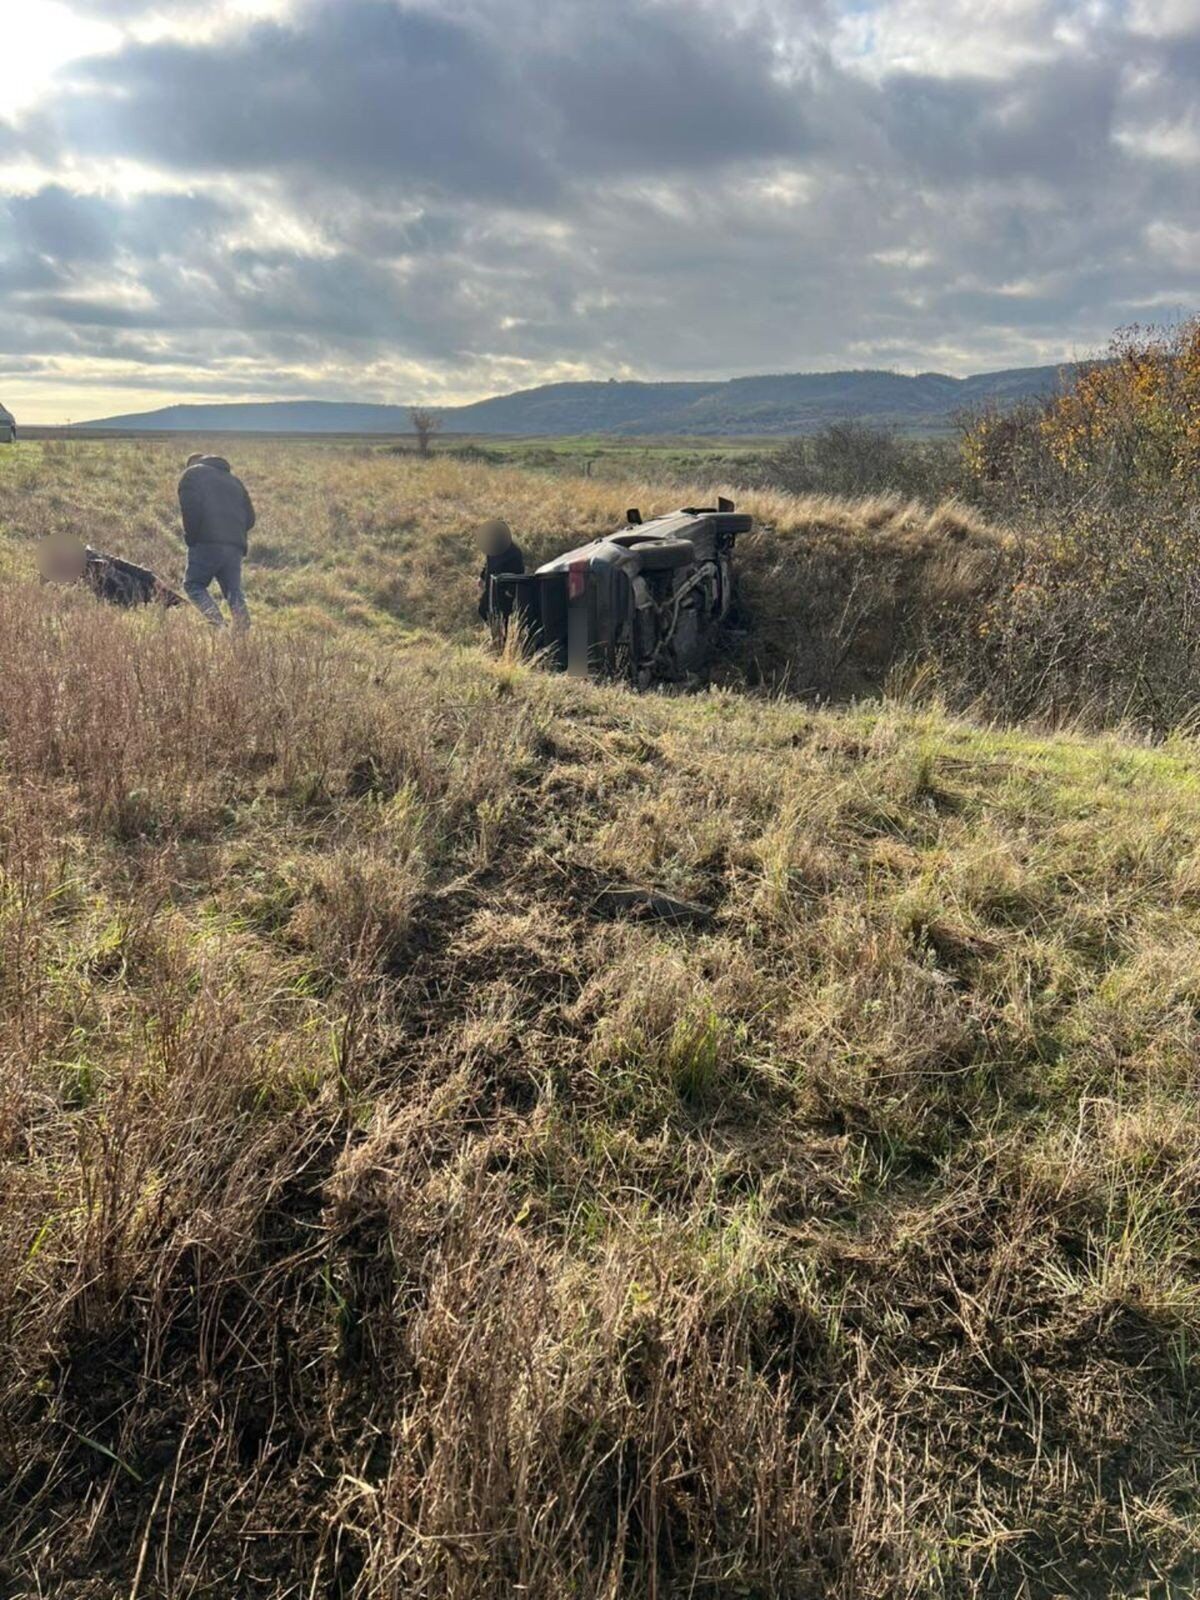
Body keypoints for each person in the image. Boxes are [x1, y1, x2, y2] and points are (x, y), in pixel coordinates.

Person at [177, 453, 255, 629]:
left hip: (206, 542)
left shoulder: (192, 475)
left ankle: (219, 627)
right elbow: (250, 519)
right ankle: (243, 633)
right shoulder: (234, 481)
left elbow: (190, 510)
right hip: (235, 546)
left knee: (194, 585)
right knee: (233, 591)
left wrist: (192, 538)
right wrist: (234, 534)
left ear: (192, 465)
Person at [38, 532, 183, 608]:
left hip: (138, 588)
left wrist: (151, 577)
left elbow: (122, 564)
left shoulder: (90, 555)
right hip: (126, 602)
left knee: (177, 603)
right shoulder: (61, 578)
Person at [475, 518, 524, 627]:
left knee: (503, 617)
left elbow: (519, 573)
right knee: (483, 610)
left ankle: (503, 640)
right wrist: (482, 577)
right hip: (490, 587)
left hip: (504, 591)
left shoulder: (514, 553)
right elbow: (487, 564)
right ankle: (495, 635)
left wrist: (511, 590)